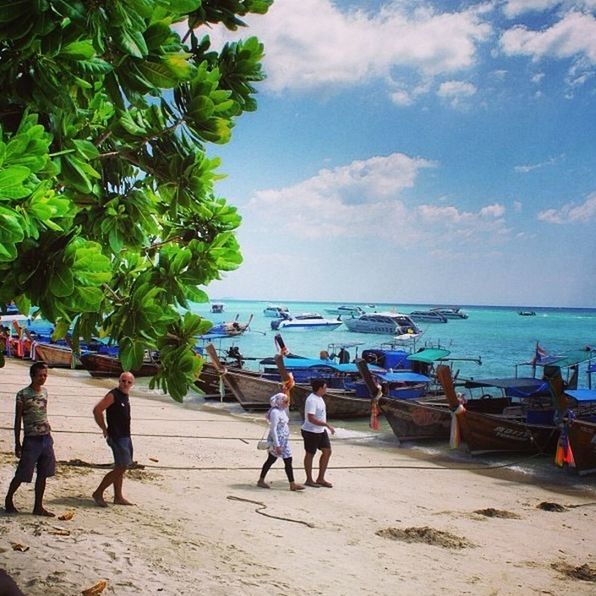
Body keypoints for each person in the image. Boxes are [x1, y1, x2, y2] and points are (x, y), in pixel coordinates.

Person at [5, 362, 56, 516]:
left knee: (43, 473)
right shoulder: (22, 395)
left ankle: (38, 506)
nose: (43, 378)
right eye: (40, 375)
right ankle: (9, 499)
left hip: (46, 438)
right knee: (23, 473)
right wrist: (17, 443)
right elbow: (17, 420)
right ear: (32, 376)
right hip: (31, 439)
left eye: (45, 375)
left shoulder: (45, 392)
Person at [92, 372, 135, 507]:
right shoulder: (113, 395)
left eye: (128, 382)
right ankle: (98, 492)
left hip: (125, 435)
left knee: (121, 466)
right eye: (123, 381)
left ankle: (118, 496)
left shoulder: (125, 395)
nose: (125, 384)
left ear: (132, 384)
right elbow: (97, 410)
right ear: (119, 380)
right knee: (121, 467)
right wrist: (104, 429)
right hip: (117, 436)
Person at [257, 393, 304, 491]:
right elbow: (273, 429)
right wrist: (277, 445)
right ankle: (261, 480)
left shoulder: (282, 410)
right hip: (277, 441)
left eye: (288, 401)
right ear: (280, 402)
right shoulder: (275, 412)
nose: (288, 403)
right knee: (271, 460)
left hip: (284, 441)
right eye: (286, 401)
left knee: (288, 460)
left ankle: (292, 484)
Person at [301, 379, 335, 488]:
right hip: (310, 430)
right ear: (320, 388)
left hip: (320, 430)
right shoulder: (312, 400)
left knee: (327, 451)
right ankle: (309, 479)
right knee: (310, 454)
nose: (326, 389)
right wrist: (326, 425)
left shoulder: (320, 398)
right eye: (325, 387)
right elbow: (311, 418)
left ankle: (320, 478)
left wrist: (324, 426)